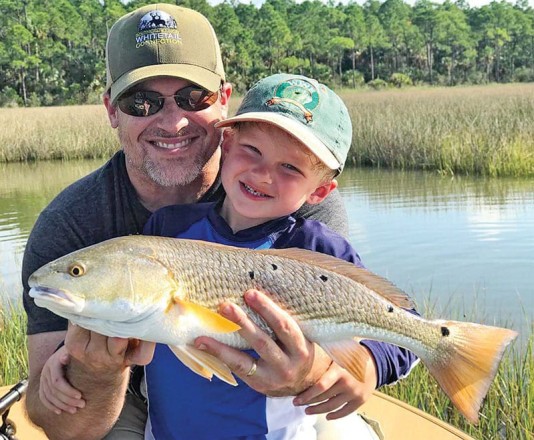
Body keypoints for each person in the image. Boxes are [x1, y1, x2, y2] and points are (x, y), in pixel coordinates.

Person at [22, 5, 369, 440]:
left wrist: (340, 369)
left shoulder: (292, 198)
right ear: (112, 110)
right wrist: (94, 372)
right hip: (140, 397)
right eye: (141, 102)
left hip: (279, 405)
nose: (173, 121)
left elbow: (351, 315)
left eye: (193, 97)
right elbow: (55, 418)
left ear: (224, 100)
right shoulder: (70, 223)